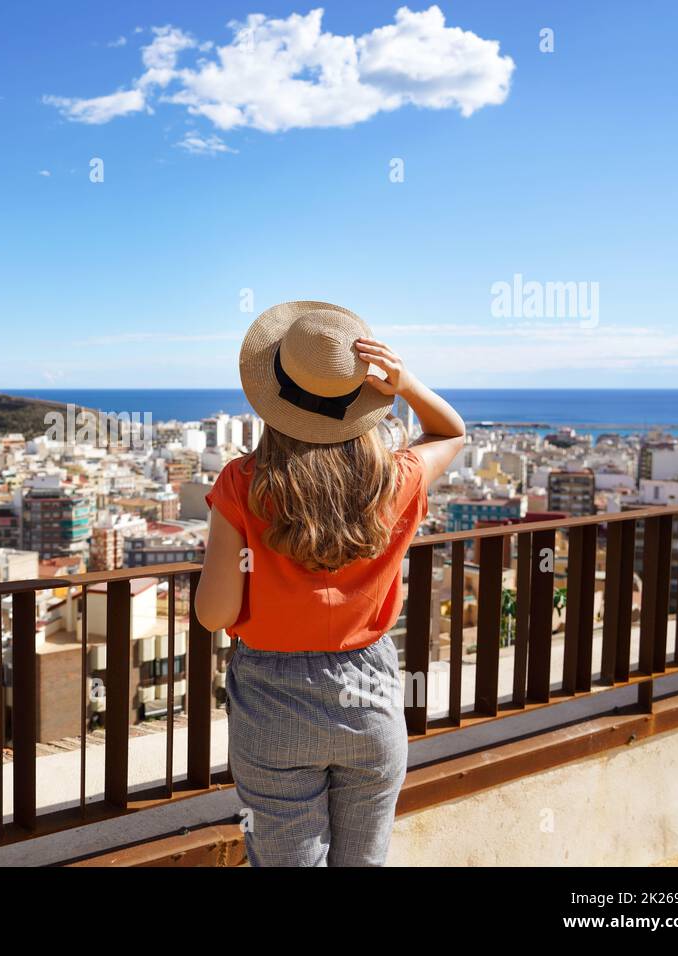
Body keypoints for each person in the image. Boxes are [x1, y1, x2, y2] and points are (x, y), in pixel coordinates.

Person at [195, 300, 465, 867]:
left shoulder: (242, 484)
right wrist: (407, 382)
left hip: (272, 696)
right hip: (369, 690)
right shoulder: (396, 478)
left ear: (271, 395)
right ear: (363, 402)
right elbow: (451, 432)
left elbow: (215, 613)